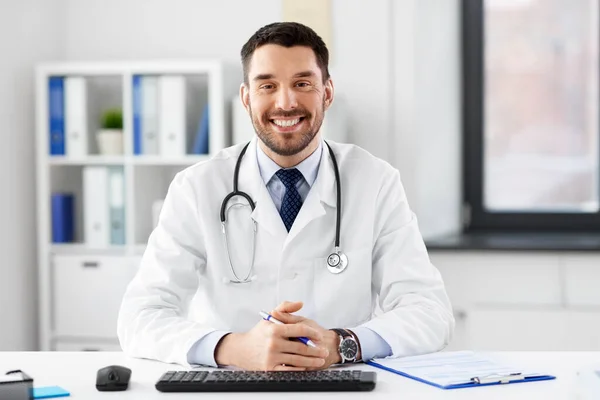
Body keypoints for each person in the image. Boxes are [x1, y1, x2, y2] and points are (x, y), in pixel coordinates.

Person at [117, 22, 454, 371]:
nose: (286, 102)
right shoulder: (197, 187)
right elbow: (139, 317)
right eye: (267, 85)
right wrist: (233, 348)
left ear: (327, 92)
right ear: (247, 97)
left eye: (303, 84)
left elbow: (430, 312)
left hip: (340, 385)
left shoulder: (376, 181)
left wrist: (342, 344)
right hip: (231, 387)